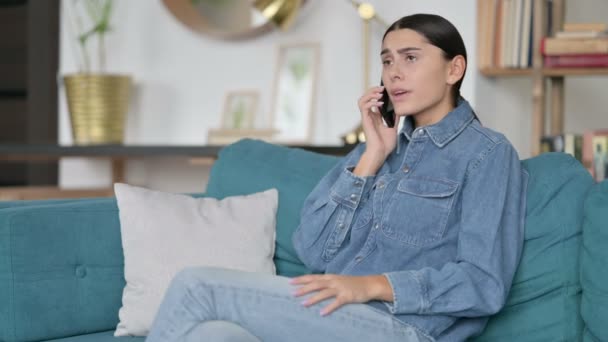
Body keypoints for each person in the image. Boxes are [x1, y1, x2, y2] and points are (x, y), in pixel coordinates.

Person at [146, 13, 528, 342]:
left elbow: (484, 283)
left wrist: (372, 285)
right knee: (212, 336)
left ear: (454, 69)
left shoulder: (488, 155)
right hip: (334, 319)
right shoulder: (377, 148)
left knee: (196, 286)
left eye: (411, 58)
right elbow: (312, 250)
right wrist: (372, 157)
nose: (394, 72)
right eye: (387, 60)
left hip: (403, 329)